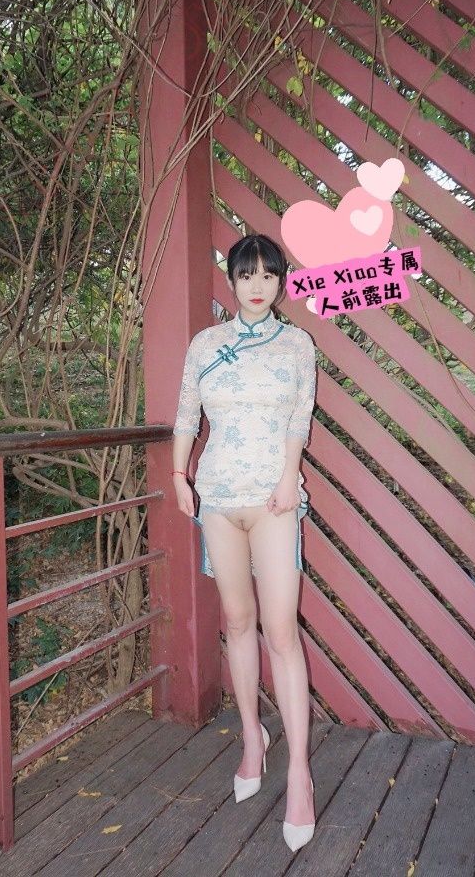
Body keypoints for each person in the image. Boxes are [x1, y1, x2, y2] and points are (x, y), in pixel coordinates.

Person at [172, 233, 318, 852]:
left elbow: (299, 418)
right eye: (247, 275)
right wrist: (179, 474)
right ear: (231, 281)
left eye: (268, 275)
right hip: (218, 500)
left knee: (281, 632)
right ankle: (252, 737)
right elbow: (187, 413)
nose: (258, 286)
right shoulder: (206, 344)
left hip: (275, 502)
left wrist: (289, 475)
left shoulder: (297, 344)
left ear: (280, 282)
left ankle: (300, 773)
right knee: (237, 622)